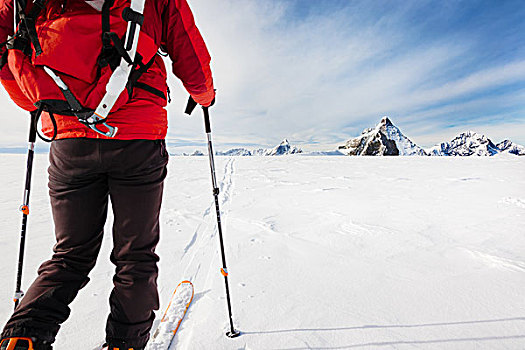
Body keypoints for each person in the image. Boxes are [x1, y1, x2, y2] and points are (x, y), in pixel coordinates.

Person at [0, 0, 214, 348]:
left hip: (69, 139)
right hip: (138, 138)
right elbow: (189, 51)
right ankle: (125, 343)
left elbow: (5, 46)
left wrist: (36, 100)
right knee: (136, 254)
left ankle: (23, 338)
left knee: (69, 254)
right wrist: (204, 96)